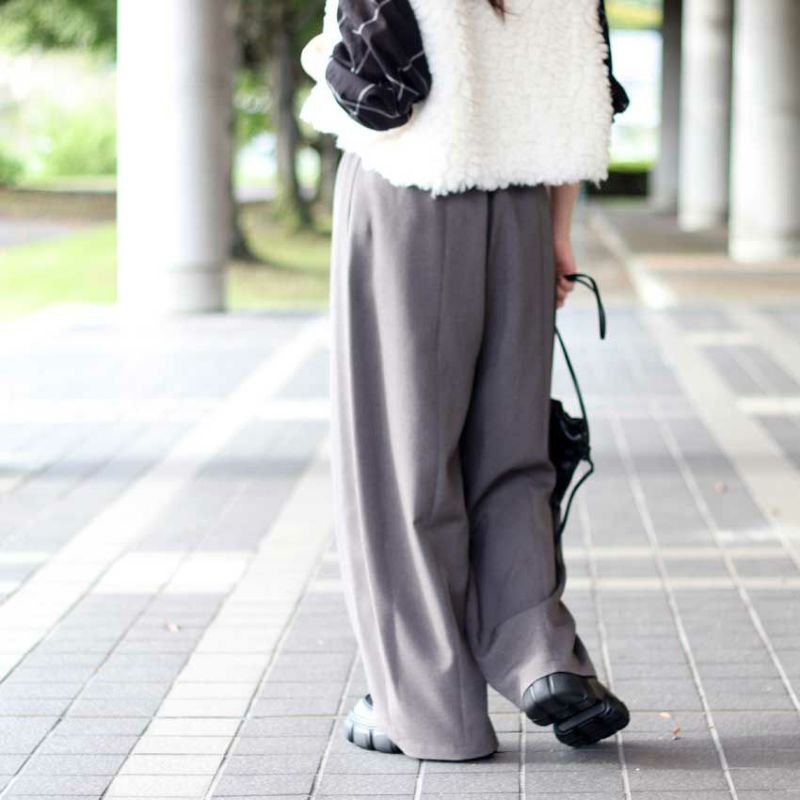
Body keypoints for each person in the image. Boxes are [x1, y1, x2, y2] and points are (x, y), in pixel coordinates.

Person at [299, 0, 631, 762]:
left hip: (410, 196)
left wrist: (322, 53)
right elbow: (585, 95)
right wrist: (557, 234)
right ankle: (540, 654)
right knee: (512, 451)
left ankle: (430, 709)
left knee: (403, 464)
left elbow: (378, 94)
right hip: (523, 208)